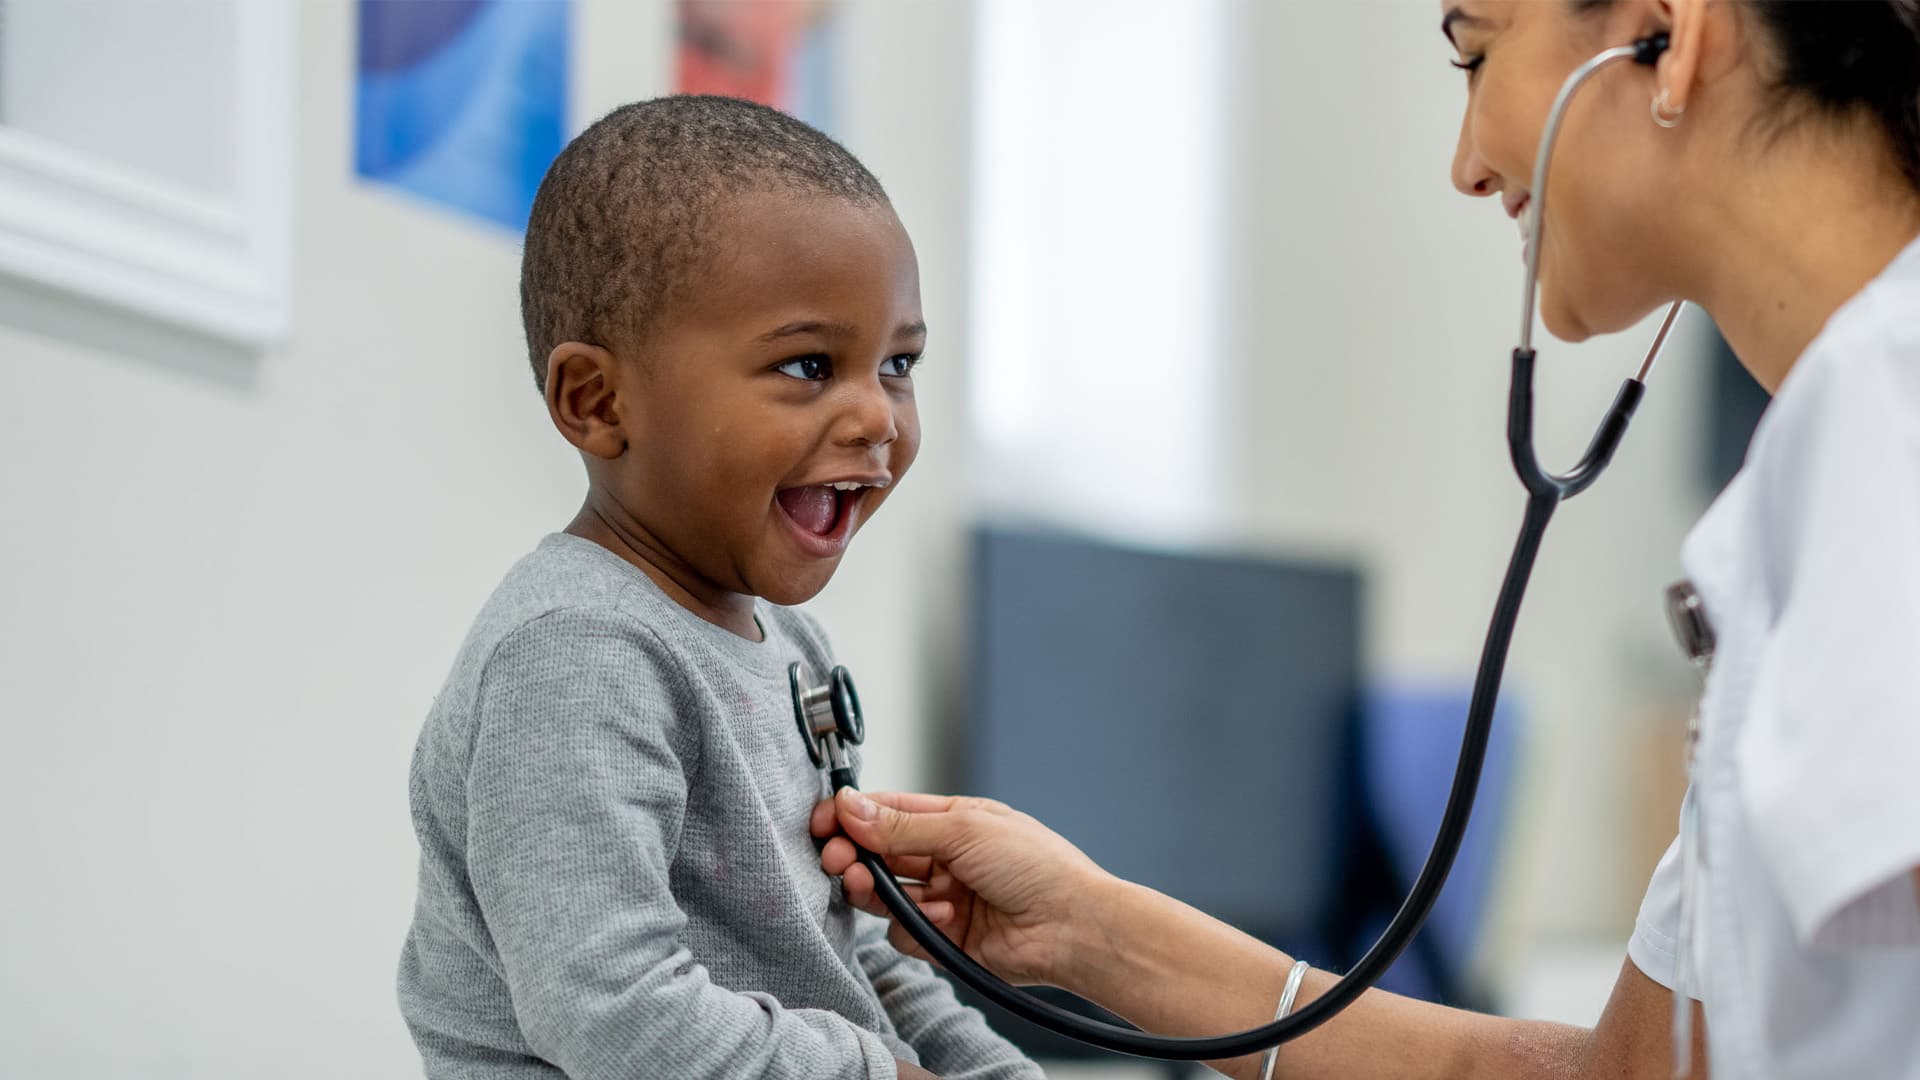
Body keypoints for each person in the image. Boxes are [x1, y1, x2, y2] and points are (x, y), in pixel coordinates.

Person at [815, 1, 1920, 1076]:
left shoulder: (1886, 415)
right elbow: (1633, 1076)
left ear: (1665, 38)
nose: (1467, 165)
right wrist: (1090, 933)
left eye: (1474, 55)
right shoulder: (1828, 451)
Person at [396, 95, 1040, 1080]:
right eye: (811, 364)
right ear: (598, 402)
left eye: (899, 363)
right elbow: (611, 1012)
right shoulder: (577, 653)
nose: (878, 415)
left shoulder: (788, 647)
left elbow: (848, 953)